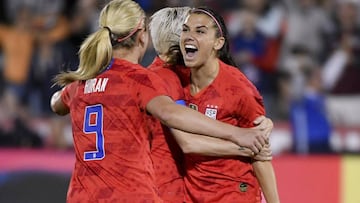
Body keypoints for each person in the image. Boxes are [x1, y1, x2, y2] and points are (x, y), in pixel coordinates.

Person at [49, 1, 268, 202]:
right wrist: (237, 134)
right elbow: (172, 114)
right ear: (143, 36)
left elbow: (56, 103)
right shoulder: (140, 79)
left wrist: (63, 94)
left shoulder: (81, 83)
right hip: (130, 194)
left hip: (82, 195)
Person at [147, 7, 273, 203]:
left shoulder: (237, 88)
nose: (188, 36)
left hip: (233, 193)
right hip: (189, 193)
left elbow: (261, 153)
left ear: (218, 42)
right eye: (185, 30)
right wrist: (243, 144)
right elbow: (188, 143)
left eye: (200, 31)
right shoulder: (174, 80)